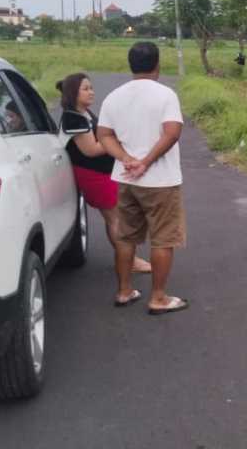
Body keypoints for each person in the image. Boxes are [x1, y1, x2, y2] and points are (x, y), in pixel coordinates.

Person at [97, 42, 188, 315]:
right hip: (161, 181)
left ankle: (124, 291)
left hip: (126, 179)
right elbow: (172, 133)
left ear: (131, 65)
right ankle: (158, 298)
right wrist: (145, 162)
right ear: (157, 65)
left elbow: (104, 135)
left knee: (126, 237)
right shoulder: (166, 95)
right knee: (163, 239)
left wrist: (126, 159)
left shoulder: (114, 97)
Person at [56, 73, 154, 306]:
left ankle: (129, 259)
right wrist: (117, 139)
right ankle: (129, 261)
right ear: (73, 93)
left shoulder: (83, 114)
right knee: (115, 219)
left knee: (116, 217)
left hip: (101, 174)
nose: (91, 92)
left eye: (91, 88)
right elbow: (90, 150)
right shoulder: (73, 118)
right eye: (85, 89)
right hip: (93, 176)